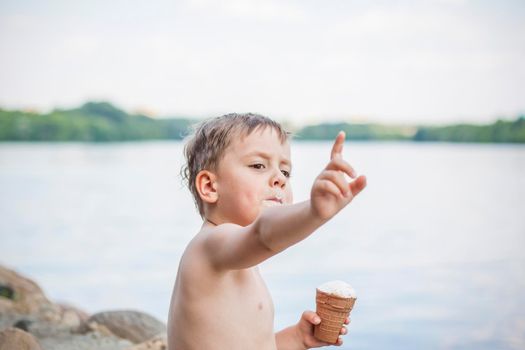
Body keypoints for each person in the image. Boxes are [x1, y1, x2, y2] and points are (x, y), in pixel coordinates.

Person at [168, 113, 367, 349]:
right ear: (210, 186)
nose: (279, 179)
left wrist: (297, 338)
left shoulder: (242, 258)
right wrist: (314, 212)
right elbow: (264, 235)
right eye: (258, 166)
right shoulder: (209, 246)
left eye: (285, 172)